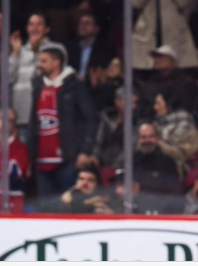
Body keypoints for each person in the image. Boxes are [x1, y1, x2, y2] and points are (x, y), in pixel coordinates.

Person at [28, 44, 99, 201]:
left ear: (56, 62)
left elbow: (91, 118)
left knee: (69, 206)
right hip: (41, 162)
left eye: (43, 61)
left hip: (68, 160)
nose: (39, 64)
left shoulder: (75, 86)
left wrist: (85, 150)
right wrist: (30, 155)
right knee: (46, 210)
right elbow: (34, 122)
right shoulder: (38, 86)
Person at [9, 12, 66, 141]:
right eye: (31, 24)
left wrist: (36, 52)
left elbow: (49, 76)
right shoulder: (20, 50)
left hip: (46, 116)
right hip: (21, 115)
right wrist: (15, 54)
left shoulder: (57, 49)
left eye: (39, 24)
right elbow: (8, 79)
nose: (34, 28)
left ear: (47, 29)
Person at [138, 45, 198, 120]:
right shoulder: (151, 82)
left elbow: (187, 107)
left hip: (178, 120)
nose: (157, 60)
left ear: (173, 62)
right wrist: (155, 108)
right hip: (152, 120)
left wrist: (168, 109)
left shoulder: (186, 82)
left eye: (161, 57)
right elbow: (142, 107)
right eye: (155, 57)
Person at [153, 91, 198, 179]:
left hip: (180, 164)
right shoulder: (157, 124)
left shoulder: (185, 122)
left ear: (168, 104)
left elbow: (181, 152)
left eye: (158, 104)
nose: (155, 108)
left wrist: (157, 143)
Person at [66, 12, 114, 83]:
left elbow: (102, 69)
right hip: (74, 84)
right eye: (81, 23)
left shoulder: (105, 47)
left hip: (94, 84)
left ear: (96, 29)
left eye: (87, 23)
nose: (82, 26)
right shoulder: (72, 46)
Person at [0, 108, 29, 191]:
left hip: (11, 196)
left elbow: (15, 173)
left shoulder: (20, 147)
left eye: (10, 121)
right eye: (2, 119)